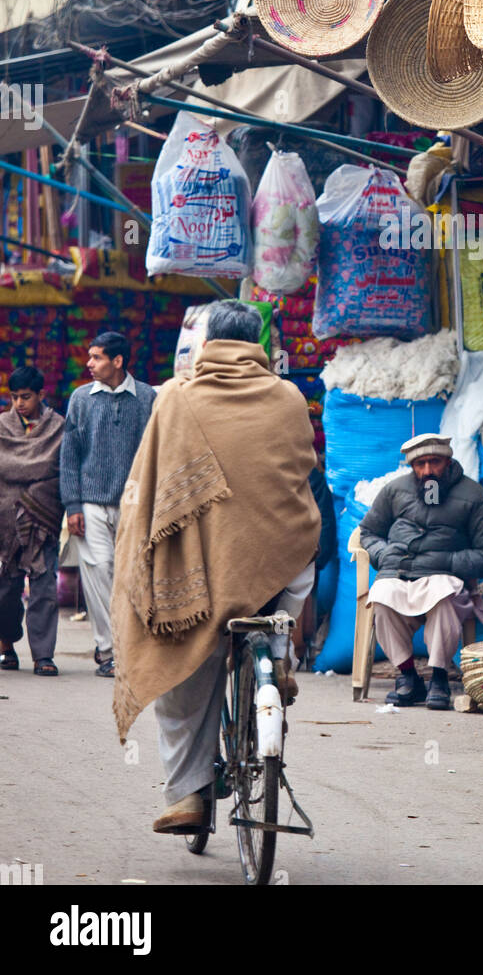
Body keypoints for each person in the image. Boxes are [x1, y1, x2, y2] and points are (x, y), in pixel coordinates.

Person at [111, 299, 321, 835]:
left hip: (203, 572)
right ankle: (281, 656)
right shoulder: (290, 395)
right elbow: (303, 469)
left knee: (179, 662)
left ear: (207, 343)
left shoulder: (175, 396)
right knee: (290, 593)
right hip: (279, 562)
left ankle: (187, 796)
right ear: (257, 343)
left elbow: (152, 482)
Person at [359, 434, 483, 711]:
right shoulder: (395, 490)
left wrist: (446, 560)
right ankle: (408, 677)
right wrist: (382, 553)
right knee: (382, 596)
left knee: (443, 595)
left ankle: (439, 677)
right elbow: (369, 531)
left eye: (434, 462)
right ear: (412, 466)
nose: (427, 470)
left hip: (444, 577)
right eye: (420, 464)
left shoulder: (473, 495)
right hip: (399, 573)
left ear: (448, 462)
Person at [59, 331, 156, 678]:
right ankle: (108, 650)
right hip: (90, 505)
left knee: (132, 576)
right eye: (89, 357)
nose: (89, 364)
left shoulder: (147, 397)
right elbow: (69, 456)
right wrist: (72, 506)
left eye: (97, 357)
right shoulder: (81, 399)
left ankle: (131, 649)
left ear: (118, 361)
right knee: (99, 572)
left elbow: (155, 453)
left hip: (135, 505)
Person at [0, 367, 66, 676]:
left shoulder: (58, 428)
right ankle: (6, 645)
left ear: (41, 395)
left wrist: (38, 489)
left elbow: (60, 471)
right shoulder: (1, 426)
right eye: (14, 397)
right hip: (6, 520)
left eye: (25, 397)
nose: (19, 404)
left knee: (44, 588)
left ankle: (43, 655)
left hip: (43, 518)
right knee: (7, 588)